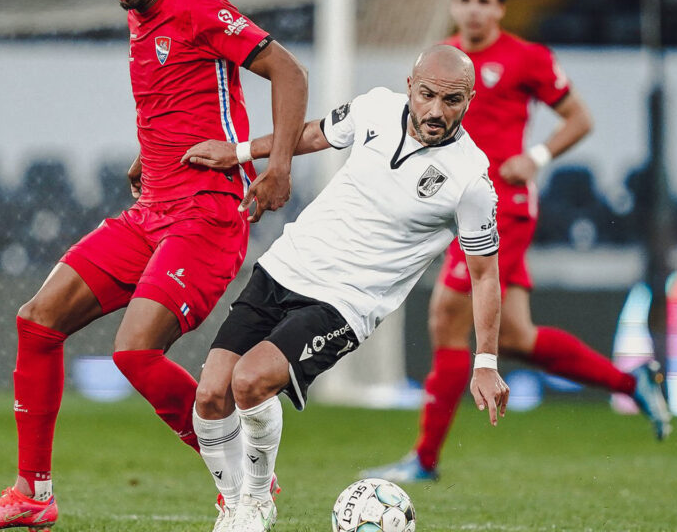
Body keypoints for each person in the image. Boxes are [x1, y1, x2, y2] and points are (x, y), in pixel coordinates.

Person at [0, 0, 307, 530]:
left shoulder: (195, 6)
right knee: (38, 322)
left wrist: (279, 165)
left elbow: (288, 71)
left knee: (135, 351)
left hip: (207, 213)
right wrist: (152, 153)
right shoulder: (140, 10)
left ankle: (242, 475)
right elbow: (181, 93)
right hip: (151, 210)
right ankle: (33, 494)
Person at [361, 0, 672, 485]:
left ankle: (425, 460)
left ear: (500, 8)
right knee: (517, 337)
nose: (473, 10)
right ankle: (632, 382)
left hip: (503, 205)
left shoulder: (527, 57)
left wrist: (537, 157)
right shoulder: (443, 62)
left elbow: (579, 118)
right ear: (453, 5)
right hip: (459, 206)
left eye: (484, 1)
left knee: (445, 320)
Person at [183, 45, 509, 532]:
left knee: (250, 381)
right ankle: (234, 506)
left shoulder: (471, 181)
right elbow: (315, 134)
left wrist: (486, 361)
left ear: (470, 100)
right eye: (427, 95)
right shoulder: (375, 107)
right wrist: (241, 151)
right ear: (409, 86)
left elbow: (484, 275)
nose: (436, 111)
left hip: (345, 302)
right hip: (286, 266)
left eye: (452, 100)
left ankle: (256, 501)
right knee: (210, 396)